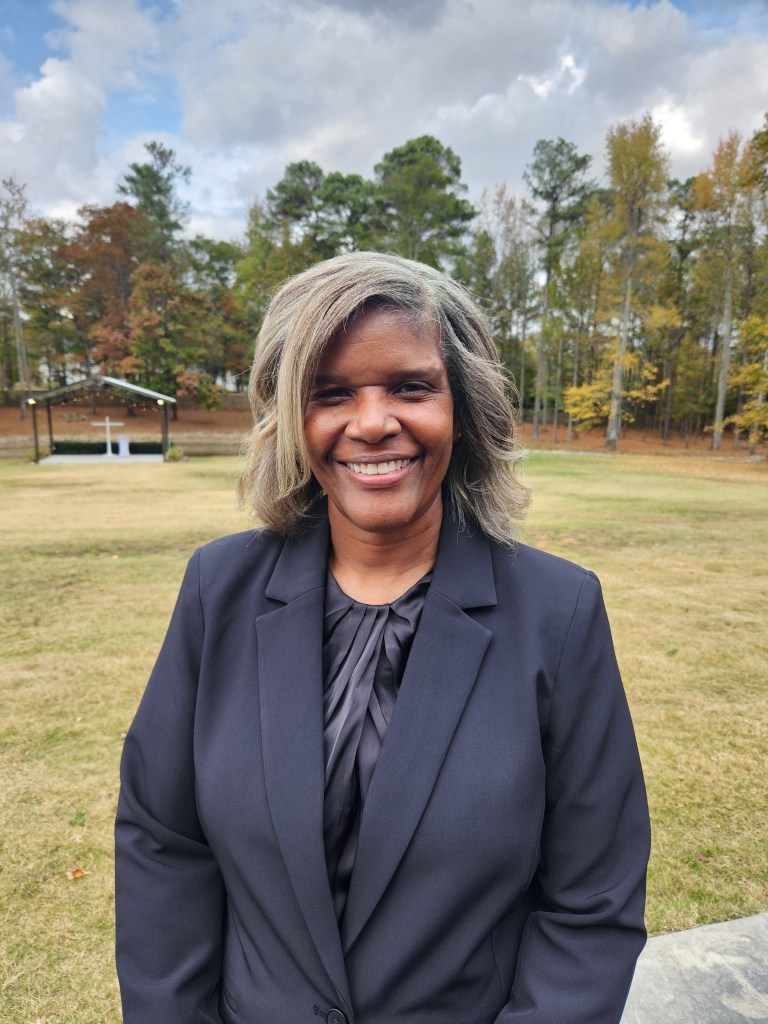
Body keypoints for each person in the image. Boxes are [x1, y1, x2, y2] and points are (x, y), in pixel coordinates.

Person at [115, 251, 650, 1024]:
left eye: (410, 387)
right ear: (292, 417)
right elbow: (163, 844)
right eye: (331, 393)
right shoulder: (217, 590)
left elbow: (592, 899)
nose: (371, 423)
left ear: (462, 406)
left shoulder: (559, 613)